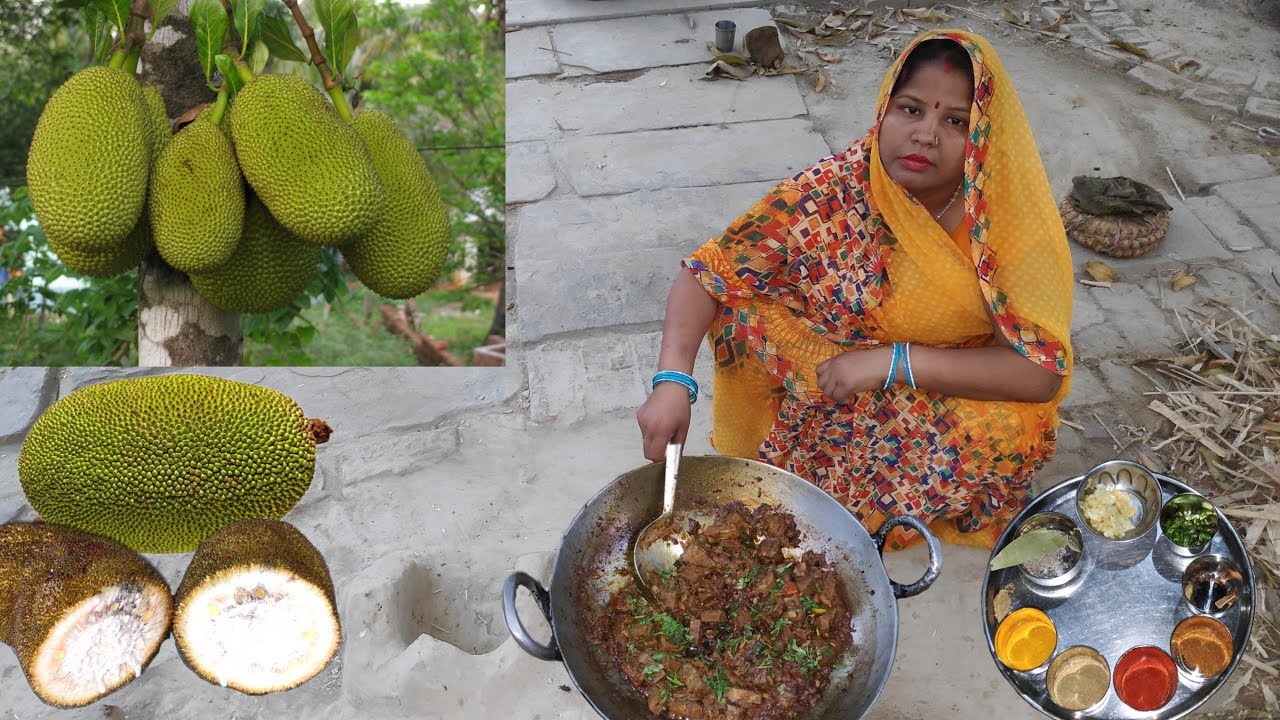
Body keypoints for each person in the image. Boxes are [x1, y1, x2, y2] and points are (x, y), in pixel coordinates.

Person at [636, 30, 1074, 549]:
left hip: (943, 381)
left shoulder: (1004, 224)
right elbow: (708, 273)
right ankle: (793, 461)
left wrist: (892, 362)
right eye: (911, 110)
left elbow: (1040, 373)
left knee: (1012, 427)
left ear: (984, 136)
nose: (926, 135)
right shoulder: (840, 184)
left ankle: (898, 497)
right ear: (884, 110)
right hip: (831, 370)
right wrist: (671, 381)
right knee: (741, 317)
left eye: (956, 121)